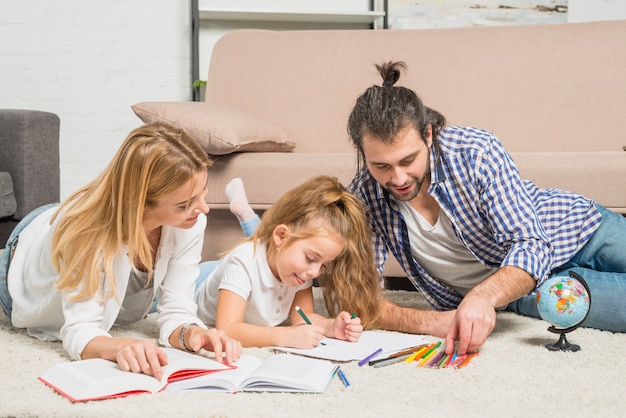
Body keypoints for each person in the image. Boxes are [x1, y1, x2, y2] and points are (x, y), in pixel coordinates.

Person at [346, 61, 626, 356]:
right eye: (381, 166)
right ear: (364, 155)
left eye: (408, 161)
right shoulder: (363, 196)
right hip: (521, 291)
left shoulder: (475, 151)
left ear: (428, 135)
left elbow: (531, 244)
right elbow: (357, 298)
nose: (398, 178)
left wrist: (481, 295)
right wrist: (432, 321)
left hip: (579, 228)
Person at [0, 122, 242, 380]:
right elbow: (80, 329)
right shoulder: (86, 233)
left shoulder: (190, 223)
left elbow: (177, 310)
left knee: (219, 271)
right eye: (184, 204)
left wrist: (194, 334)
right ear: (141, 202)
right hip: (23, 259)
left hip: (79, 230)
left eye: (203, 190)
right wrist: (118, 347)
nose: (204, 208)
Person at [194, 175, 384, 348]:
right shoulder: (241, 263)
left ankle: (247, 216)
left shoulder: (301, 271)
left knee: (268, 249)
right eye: (311, 258)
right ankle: (246, 215)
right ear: (282, 235)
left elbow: (303, 316)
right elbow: (228, 329)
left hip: (264, 260)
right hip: (199, 280)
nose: (315, 272)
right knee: (256, 251)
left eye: (324, 265)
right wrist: (284, 336)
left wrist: (331, 326)